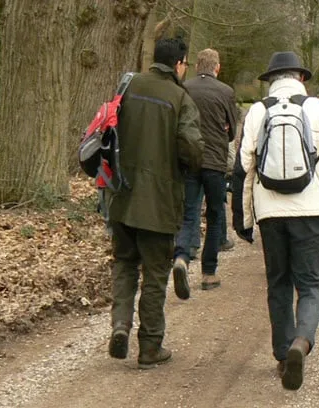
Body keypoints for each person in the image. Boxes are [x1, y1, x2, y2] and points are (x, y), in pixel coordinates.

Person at [232, 51, 319, 390]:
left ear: (271, 79)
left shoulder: (258, 112)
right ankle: (302, 341)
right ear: (301, 77)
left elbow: (243, 169)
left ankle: (284, 356)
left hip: (271, 213)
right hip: (313, 210)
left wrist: (243, 219)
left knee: (279, 284)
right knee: (312, 285)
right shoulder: (318, 108)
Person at [106, 37, 204, 369]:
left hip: (121, 195)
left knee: (124, 264)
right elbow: (191, 148)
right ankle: (149, 346)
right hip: (159, 203)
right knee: (155, 274)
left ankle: (120, 324)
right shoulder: (180, 98)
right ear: (179, 63)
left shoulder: (128, 86)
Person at [173, 48, 238, 291]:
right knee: (214, 215)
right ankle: (208, 273)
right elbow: (232, 132)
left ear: (196, 66)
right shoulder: (226, 92)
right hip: (215, 162)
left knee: (189, 212)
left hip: (189, 161)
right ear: (217, 67)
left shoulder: (184, 88)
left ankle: (181, 256)